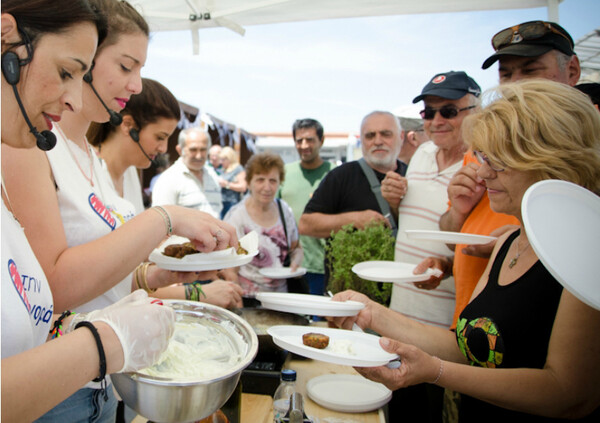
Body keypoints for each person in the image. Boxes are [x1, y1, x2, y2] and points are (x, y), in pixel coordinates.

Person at [1, 1, 238, 421]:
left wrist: (150, 276)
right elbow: (54, 283)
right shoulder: (26, 143)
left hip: (94, 380)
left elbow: (43, 290)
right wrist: (162, 219)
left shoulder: (84, 155)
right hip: (61, 391)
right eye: (67, 71)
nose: (135, 85)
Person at [330, 80, 600, 422]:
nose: (483, 172)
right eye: (484, 157)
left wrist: (435, 372)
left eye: (498, 161)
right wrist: (372, 313)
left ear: (549, 162)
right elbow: (467, 346)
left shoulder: (587, 252)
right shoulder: (507, 243)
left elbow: (568, 393)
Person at [439, 21, 581, 330]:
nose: (514, 86)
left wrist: (524, 242)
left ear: (572, 70)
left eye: (530, 71)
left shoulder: (586, 150)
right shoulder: (483, 145)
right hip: (478, 327)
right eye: (506, 74)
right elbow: (454, 237)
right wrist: (459, 212)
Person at [87, 77, 243, 309]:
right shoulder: (90, 173)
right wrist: (194, 293)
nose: (162, 148)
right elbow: (94, 279)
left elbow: (129, 270)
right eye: (160, 137)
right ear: (128, 126)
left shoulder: (130, 175)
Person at [380, 70, 480, 422]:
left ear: (474, 110)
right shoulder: (422, 153)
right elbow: (414, 221)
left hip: (447, 329)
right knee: (400, 411)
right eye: (428, 112)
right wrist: (394, 200)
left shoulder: (484, 165)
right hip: (402, 312)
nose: (436, 120)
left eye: (448, 111)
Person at [298, 111, 406, 278]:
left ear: (401, 137)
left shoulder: (415, 175)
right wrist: (354, 220)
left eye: (386, 134)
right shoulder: (341, 176)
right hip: (348, 287)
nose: (378, 141)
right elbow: (306, 224)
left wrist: (397, 207)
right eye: (370, 136)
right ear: (361, 141)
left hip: (402, 283)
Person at [224, 152, 303, 297]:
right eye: (260, 180)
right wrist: (237, 301)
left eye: (273, 181)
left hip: (281, 298)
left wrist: (296, 264)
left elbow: (296, 248)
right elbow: (229, 269)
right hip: (248, 299)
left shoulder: (284, 210)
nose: (267, 187)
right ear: (249, 182)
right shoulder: (237, 216)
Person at [279, 118, 334, 296]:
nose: (304, 145)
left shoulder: (335, 175)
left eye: (310, 140)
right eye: (299, 140)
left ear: (321, 141)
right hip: (289, 266)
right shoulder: (283, 173)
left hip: (323, 266)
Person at [152, 126, 223, 218]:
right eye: (193, 150)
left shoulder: (212, 175)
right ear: (180, 150)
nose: (199, 156)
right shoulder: (168, 180)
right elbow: (160, 221)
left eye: (203, 150)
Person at [218, 146, 247, 218]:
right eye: (220, 159)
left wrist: (227, 185)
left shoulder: (238, 169)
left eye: (223, 159)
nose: (221, 162)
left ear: (230, 158)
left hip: (231, 203)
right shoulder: (223, 169)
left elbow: (243, 187)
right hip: (221, 202)